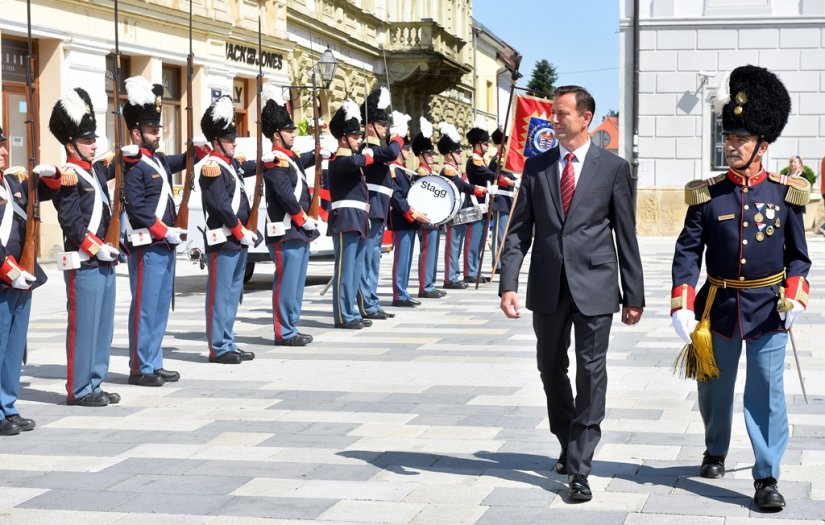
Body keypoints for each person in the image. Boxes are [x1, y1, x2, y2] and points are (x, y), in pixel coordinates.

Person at [671, 65, 809, 511]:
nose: (731, 147)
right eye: (728, 139)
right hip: (717, 306)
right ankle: (715, 448)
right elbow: (688, 252)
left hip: (769, 306)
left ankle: (766, 475)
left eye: (741, 140)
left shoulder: (785, 194)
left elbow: (799, 255)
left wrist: (796, 295)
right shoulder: (707, 195)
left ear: (762, 146)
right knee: (713, 386)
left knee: (766, 391)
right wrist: (681, 302)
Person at [499, 85, 645, 502]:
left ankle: (580, 466)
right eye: (552, 112)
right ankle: (566, 438)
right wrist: (508, 283)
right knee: (550, 368)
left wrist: (633, 294)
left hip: (596, 286)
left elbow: (625, 234)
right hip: (548, 285)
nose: (554, 119)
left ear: (585, 118)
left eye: (562, 113)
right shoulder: (537, 167)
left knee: (590, 370)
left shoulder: (612, 168)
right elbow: (518, 232)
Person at [47, 87, 120, 407]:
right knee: (83, 327)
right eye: (88, 141)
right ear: (70, 143)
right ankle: (79, 389)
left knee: (102, 327)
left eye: (94, 140)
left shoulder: (94, 171)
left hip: (103, 258)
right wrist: (95, 247)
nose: (94, 145)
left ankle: (95, 382)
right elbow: (72, 223)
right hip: (84, 260)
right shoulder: (68, 175)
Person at [121, 76, 187, 386]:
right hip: (148, 246)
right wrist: (164, 230)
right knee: (145, 309)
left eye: (158, 128)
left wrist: (197, 150)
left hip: (164, 246)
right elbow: (138, 208)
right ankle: (140, 367)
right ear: (137, 133)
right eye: (151, 130)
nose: (157, 133)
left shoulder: (157, 160)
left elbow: (183, 160)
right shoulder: (134, 165)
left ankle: (154, 360)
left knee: (160, 308)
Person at [0, 126, 58, 434]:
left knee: (14, 348)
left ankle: (7, 405)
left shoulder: (13, 181)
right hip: (6, 276)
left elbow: (49, 191)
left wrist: (50, 175)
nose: (4, 151)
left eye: (4, 146)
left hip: (22, 276)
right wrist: (10, 269)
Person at [197, 95, 257, 364]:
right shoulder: (211, 167)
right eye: (230, 139)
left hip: (237, 239)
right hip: (223, 238)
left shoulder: (232, 164)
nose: (234, 143)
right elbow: (219, 204)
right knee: (220, 296)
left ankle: (228, 340)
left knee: (233, 294)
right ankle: (219, 347)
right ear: (216, 142)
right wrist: (238, 228)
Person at [260, 86, 319, 346]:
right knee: (286, 284)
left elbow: (297, 163)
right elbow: (285, 194)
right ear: (276, 134)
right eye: (288, 131)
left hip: (297, 230)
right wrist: (301, 217)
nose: (293, 134)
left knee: (296, 284)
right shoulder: (274, 159)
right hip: (285, 230)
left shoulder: (288, 157)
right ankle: (283, 330)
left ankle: (291, 326)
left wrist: (318, 155)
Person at [327, 99, 375, 329]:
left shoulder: (352, 160)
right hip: (345, 218)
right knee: (344, 269)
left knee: (355, 268)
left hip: (358, 218)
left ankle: (352, 311)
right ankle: (343, 314)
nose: (359, 141)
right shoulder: (339, 159)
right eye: (355, 137)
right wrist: (368, 155)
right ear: (344, 138)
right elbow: (354, 161)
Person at [356, 87, 402, 321]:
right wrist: (398, 139)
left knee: (373, 257)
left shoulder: (378, 148)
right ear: (372, 124)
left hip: (379, 207)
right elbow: (391, 152)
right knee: (368, 258)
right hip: (371, 207)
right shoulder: (368, 148)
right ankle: (366, 302)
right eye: (383, 125)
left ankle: (370, 300)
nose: (386, 129)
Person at [387, 112, 430, 307]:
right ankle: (398, 294)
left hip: (409, 220)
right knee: (401, 259)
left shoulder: (403, 169)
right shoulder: (393, 169)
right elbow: (396, 197)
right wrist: (412, 213)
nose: (407, 152)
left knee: (407, 258)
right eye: (404, 148)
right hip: (401, 218)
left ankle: (403, 292)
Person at [464, 118, 515, 283]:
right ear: (478, 144)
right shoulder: (475, 159)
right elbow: (489, 175)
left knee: (479, 240)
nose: (488, 146)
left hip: (483, 203)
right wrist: (508, 181)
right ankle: (471, 270)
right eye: (485, 144)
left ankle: (474, 269)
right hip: (476, 202)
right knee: (475, 240)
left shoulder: (483, 159)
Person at [439, 122, 486, 289]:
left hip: (461, 211)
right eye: (458, 152)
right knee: (453, 245)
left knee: (457, 245)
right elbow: (461, 186)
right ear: (450, 154)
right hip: (453, 212)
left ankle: (454, 275)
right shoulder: (448, 169)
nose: (460, 155)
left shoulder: (455, 169)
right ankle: (450, 278)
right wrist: (480, 190)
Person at [411, 118, 445, 299]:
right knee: (427, 252)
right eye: (429, 154)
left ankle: (430, 283)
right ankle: (425, 287)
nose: (433, 157)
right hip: (425, 218)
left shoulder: (430, 173)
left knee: (433, 252)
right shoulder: (420, 173)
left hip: (434, 217)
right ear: (421, 155)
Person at [488, 126, 517, 272]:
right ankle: (497, 263)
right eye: (504, 142)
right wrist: (509, 181)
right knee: (499, 235)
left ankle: (502, 261)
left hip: (508, 199)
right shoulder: (496, 160)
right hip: (500, 199)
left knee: (505, 234)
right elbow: (493, 176)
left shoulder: (508, 159)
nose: (507, 145)